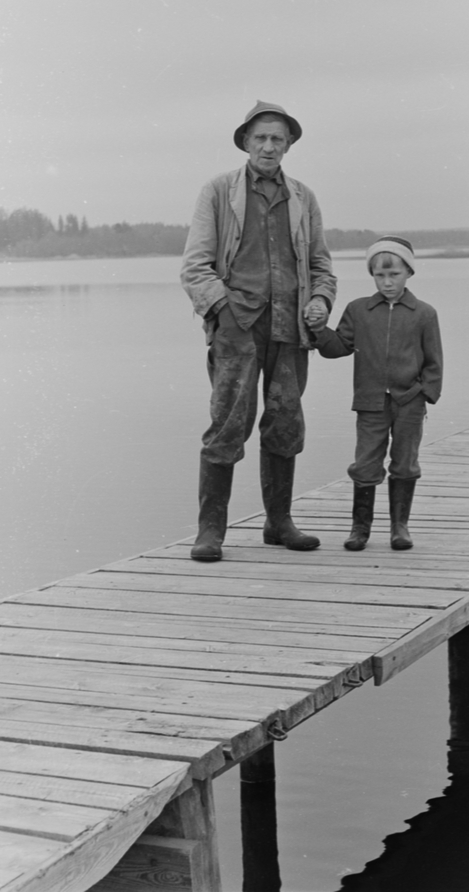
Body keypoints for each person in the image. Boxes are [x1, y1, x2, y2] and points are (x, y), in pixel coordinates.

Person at [180, 101, 336, 561]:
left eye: (278, 139)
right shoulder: (217, 192)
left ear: (288, 146)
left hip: (290, 331)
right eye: (261, 138)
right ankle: (211, 532)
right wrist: (223, 310)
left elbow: (322, 266)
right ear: (246, 142)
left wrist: (320, 301)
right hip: (237, 329)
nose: (269, 146)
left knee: (286, 422)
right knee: (227, 426)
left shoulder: (304, 198)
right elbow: (195, 267)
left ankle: (279, 522)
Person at [311, 236, 442, 550]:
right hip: (370, 402)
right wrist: (317, 330)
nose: (386, 282)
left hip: (410, 402)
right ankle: (360, 530)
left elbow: (434, 362)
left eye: (394, 275)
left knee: (405, 463)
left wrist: (425, 394)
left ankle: (400, 528)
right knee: (366, 464)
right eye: (379, 276)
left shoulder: (424, 314)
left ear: (409, 272)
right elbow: (338, 347)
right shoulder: (359, 310)